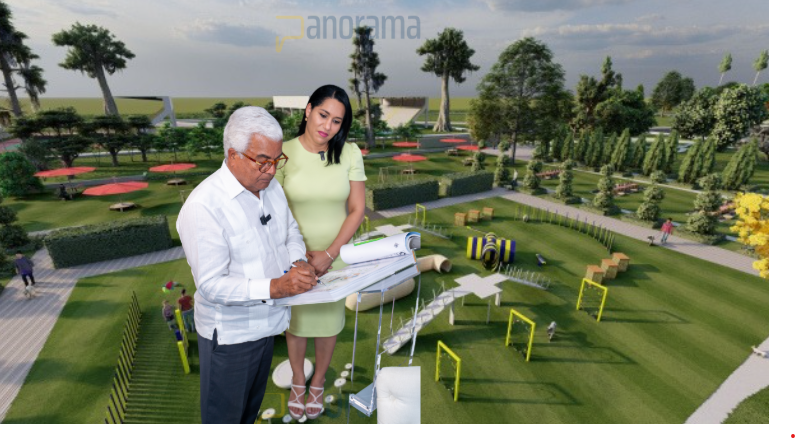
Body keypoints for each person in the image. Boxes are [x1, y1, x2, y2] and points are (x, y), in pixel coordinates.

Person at [177, 106, 316, 425]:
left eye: (277, 160)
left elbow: (291, 231)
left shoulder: (272, 189)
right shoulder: (204, 207)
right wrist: (276, 286)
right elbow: (211, 285)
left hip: (267, 327)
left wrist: (297, 260)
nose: (271, 170)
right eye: (263, 160)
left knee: (248, 415)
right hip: (230, 339)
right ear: (233, 154)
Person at [276, 85, 366, 420]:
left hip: (335, 257)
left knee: (328, 325)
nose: (327, 126)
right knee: (296, 324)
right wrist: (299, 258)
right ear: (308, 110)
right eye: (323, 115)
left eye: (337, 121)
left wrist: (329, 254)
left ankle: (318, 381)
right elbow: (275, 209)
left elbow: (357, 209)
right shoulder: (282, 152)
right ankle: (299, 379)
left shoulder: (351, 154)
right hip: (293, 258)